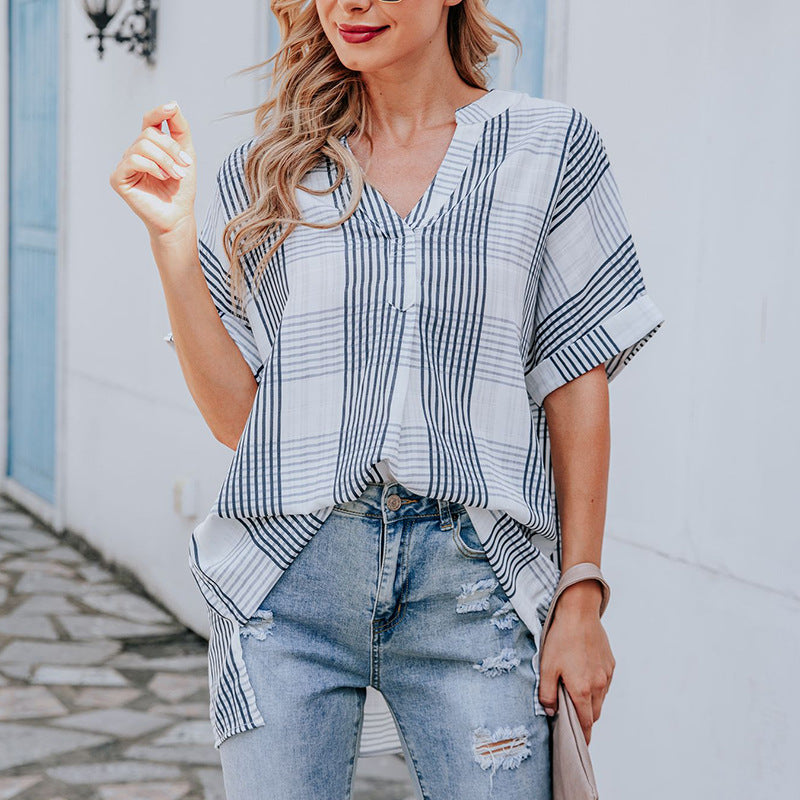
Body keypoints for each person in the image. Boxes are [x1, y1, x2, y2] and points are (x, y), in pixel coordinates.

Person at [110, 1, 665, 797]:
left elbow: (576, 378)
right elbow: (241, 421)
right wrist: (172, 242)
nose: (351, 5)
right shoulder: (266, 173)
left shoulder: (548, 149)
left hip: (474, 589)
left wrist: (581, 592)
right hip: (289, 583)